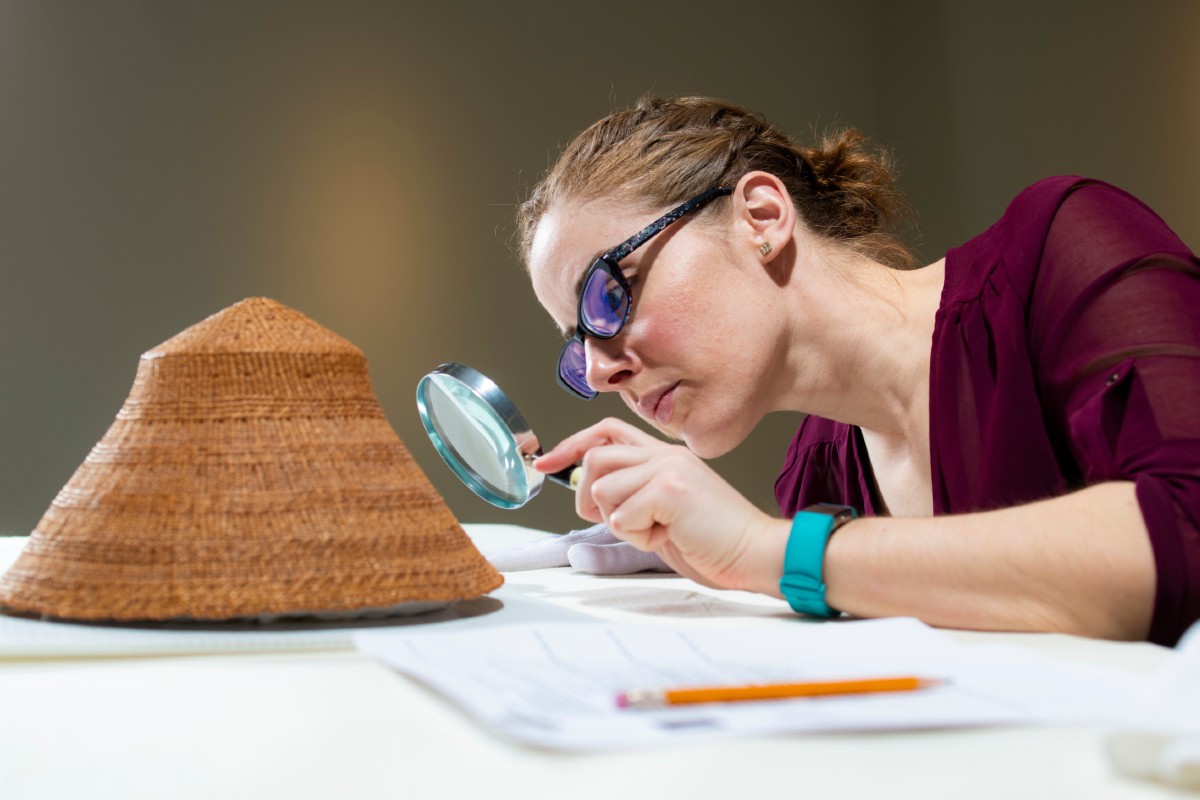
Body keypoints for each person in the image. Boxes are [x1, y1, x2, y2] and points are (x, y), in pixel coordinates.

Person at [518, 94, 1200, 646]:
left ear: (761, 217)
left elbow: (1187, 530)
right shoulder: (817, 477)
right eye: (578, 345)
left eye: (610, 293)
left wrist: (768, 550)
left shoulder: (1063, 248)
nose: (601, 371)